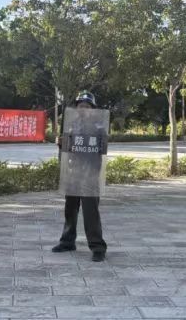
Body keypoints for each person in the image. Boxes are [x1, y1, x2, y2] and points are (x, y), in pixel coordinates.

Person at [51, 91, 108, 262]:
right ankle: (67, 241)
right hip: (73, 173)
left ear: (92, 109)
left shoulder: (99, 127)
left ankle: (97, 247)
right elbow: (68, 148)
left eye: (87, 106)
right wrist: (61, 143)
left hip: (90, 174)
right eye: (80, 105)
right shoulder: (72, 125)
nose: (83, 109)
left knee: (91, 212)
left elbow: (102, 148)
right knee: (70, 209)